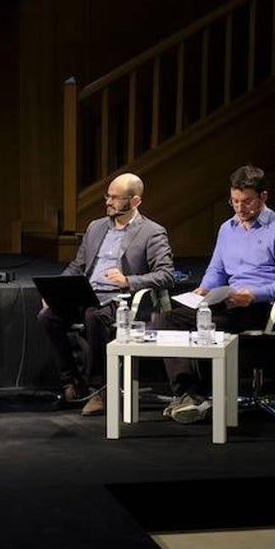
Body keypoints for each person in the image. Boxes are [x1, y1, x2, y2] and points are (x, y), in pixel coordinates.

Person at [152, 164, 275, 424]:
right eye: (234, 201)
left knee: (206, 324)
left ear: (263, 197)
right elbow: (216, 270)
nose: (240, 208)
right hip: (227, 301)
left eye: (247, 202)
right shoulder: (227, 228)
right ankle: (190, 394)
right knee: (165, 320)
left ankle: (198, 397)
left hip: (261, 305)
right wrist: (204, 289)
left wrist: (253, 295)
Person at [37, 173, 176, 416]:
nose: (108, 202)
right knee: (47, 315)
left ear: (135, 202)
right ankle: (73, 382)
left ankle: (99, 388)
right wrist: (56, 289)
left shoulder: (152, 232)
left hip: (118, 297)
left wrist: (128, 280)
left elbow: (166, 275)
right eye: (107, 196)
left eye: (115, 198)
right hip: (86, 291)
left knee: (95, 315)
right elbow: (78, 266)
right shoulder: (95, 227)